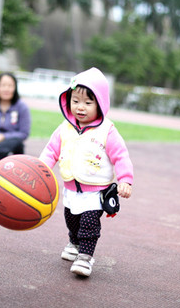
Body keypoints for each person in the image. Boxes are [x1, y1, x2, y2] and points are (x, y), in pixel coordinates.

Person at [39, 67, 133, 277]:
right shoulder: (64, 128)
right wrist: (40, 168)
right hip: (71, 189)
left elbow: (121, 156)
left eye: (88, 103)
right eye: (75, 101)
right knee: (71, 219)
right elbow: (51, 151)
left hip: (95, 191)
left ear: (100, 104)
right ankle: (73, 242)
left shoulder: (107, 130)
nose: (80, 107)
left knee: (89, 223)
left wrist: (125, 179)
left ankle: (85, 257)